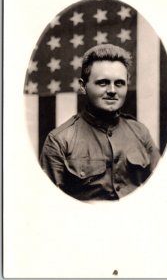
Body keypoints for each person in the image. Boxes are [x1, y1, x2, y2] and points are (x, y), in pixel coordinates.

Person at [40, 44, 160, 201]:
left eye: (119, 83)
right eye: (103, 83)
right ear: (83, 86)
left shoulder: (140, 133)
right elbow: (49, 205)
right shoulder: (59, 141)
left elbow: (161, 189)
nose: (112, 90)